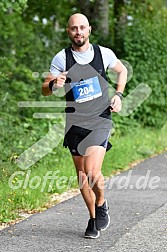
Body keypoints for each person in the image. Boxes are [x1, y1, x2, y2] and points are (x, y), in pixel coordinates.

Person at [42, 13, 127, 239]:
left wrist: (118, 94)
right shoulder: (62, 58)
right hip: (75, 124)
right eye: (73, 28)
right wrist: (53, 83)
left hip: (99, 119)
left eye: (82, 27)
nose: (78, 32)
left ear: (89, 29)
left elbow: (122, 71)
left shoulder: (103, 53)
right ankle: (93, 218)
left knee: (91, 171)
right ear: (68, 32)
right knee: (82, 177)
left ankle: (101, 202)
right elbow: (44, 88)